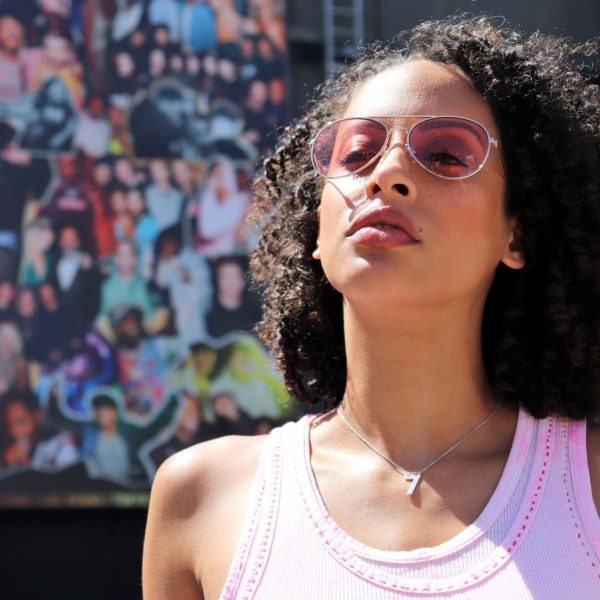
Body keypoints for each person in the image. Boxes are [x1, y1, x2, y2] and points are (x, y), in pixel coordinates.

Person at [143, 15, 600, 599]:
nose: (387, 174)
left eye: (447, 155)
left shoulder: (585, 486)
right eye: (357, 153)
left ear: (518, 235)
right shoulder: (201, 496)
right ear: (316, 228)